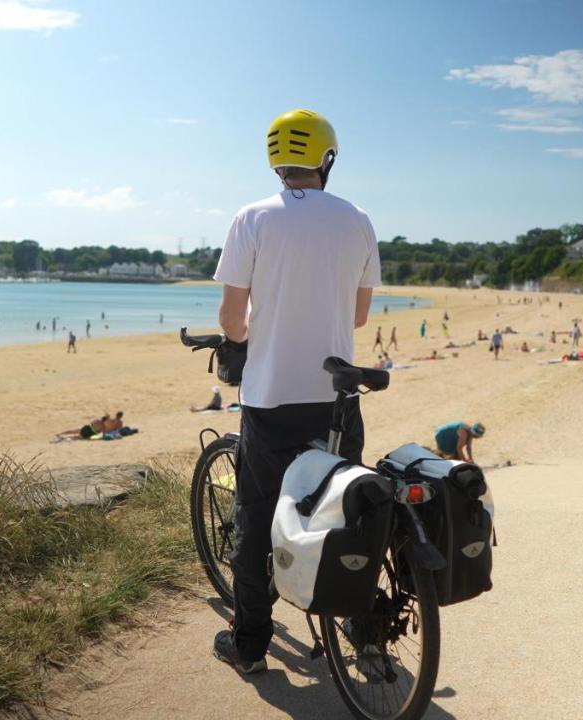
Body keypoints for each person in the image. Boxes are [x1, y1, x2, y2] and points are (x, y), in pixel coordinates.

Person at [211, 108, 379, 676]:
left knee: (256, 516)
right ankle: (359, 624)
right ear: (326, 159)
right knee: (343, 510)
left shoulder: (252, 218)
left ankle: (251, 644)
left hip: (271, 398)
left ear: (275, 160)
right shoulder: (356, 219)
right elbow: (357, 317)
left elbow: (233, 320)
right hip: (336, 398)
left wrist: (257, 328)